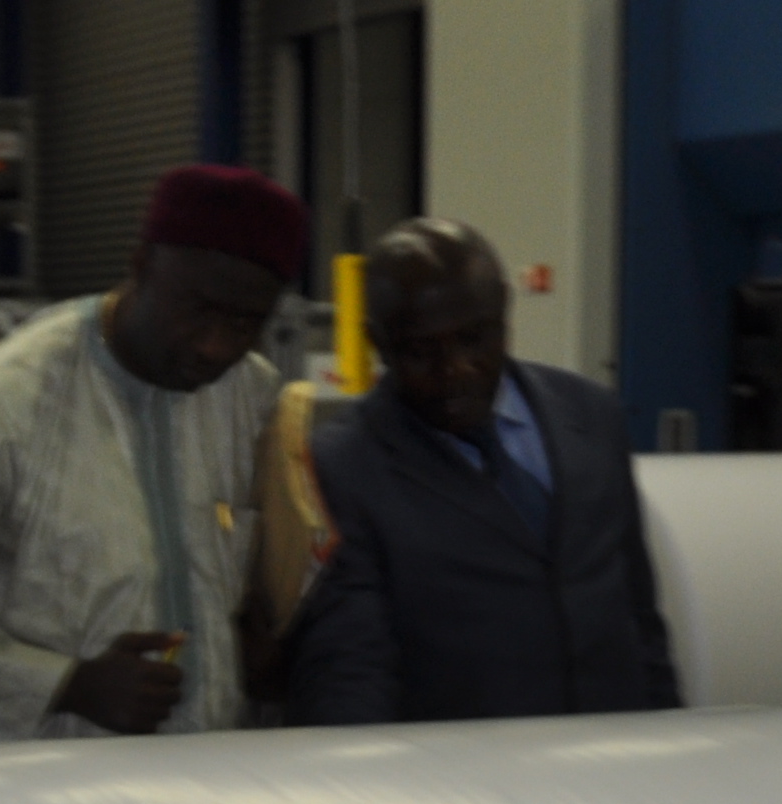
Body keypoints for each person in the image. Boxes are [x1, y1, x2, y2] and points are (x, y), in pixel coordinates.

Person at [0, 161, 302, 743]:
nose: (216, 347)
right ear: (141, 266)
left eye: (246, 323)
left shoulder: (250, 397)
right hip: (39, 785)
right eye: (198, 309)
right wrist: (66, 685)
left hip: (209, 773)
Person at [285, 219, 679, 723]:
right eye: (421, 352)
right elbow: (351, 664)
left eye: (474, 339)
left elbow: (639, 617)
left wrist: (671, 736)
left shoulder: (592, 416)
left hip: (613, 750)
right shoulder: (344, 466)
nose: (456, 369)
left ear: (504, 313)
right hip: (469, 766)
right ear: (378, 343)